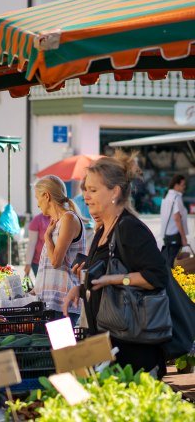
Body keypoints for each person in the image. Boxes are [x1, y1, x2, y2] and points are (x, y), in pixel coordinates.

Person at [63, 151, 169, 378]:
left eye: (93, 190)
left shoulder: (130, 229)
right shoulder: (102, 229)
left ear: (115, 192)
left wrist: (117, 279)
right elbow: (104, 273)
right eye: (85, 189)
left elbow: (157, 276)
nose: (86, 196)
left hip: (133, 353)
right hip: (106, 345)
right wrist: (80, 288)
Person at [32, 175, 85, 326]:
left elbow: (56, 261)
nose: (37, 204)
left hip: (62, 303)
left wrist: (47, 238)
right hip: (50, 302)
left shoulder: (68, 219)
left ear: (46, 196)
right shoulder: (59, 222)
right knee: (51, 349)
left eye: (37, 198)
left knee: (62, 349)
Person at [160, 174, 188, 268]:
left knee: (169, 264)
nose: (184, 187)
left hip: (167, 236)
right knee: (175, 266)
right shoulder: (176, 198)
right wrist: (184, 238)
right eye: (183, 184)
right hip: (175, 236)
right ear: (176, 185)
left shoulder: (166, 196)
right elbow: (177, 218)